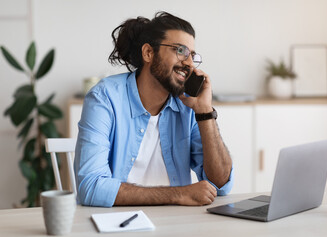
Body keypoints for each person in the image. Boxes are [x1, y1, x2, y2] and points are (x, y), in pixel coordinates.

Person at [74, 11, 233, 207]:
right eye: (180, 51)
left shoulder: (188, 106)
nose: (189, 63)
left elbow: (221, 184)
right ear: (148, 53)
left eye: (192, 55)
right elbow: (90, 187)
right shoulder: (104, 98)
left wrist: (205, 112)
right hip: (117, 223)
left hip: (176, 223)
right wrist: (178, 194)